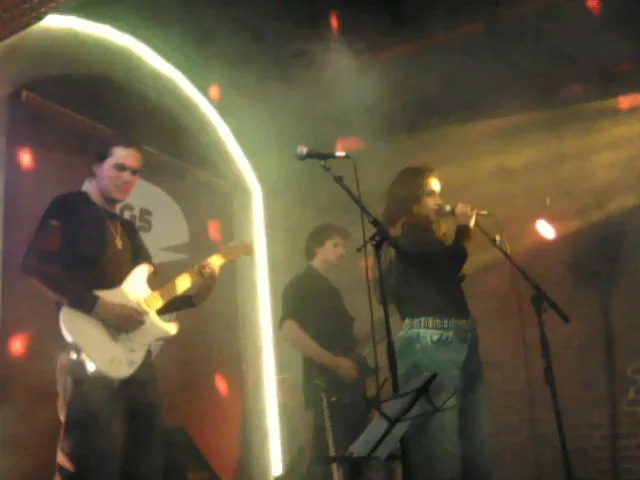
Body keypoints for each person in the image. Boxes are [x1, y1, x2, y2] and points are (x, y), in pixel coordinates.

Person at [21, 136, 218, 480]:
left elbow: (144, 302)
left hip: (133, 358)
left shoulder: (127, 228)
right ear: (97, 167)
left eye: (135, 172)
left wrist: (196, 294)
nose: (128, 177)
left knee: (145, 459)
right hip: (85, 350)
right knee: (93, 458)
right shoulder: (70, 206)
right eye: (119, 168)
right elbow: (35, 264)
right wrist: (100, 308)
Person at [380, 166, 493, 480]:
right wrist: (463, 229)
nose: (439, 201)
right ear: (411, 199)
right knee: (441, 453)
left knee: (476, 448)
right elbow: (449, 263)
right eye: (430, 194)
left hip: (460, 337)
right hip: (431, 342)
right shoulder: (405, 237)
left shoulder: (428, 238)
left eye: (439, 194)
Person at [279, 224, 373, 480]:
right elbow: (289, 330)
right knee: (331, 460)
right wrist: (335, 363)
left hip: (344, 387)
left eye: (343, 246)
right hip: (329, 387)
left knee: (348, 460)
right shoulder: (302, 284)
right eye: (335, 245)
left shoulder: (327, 287)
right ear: (316, 248)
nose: (342, 251)